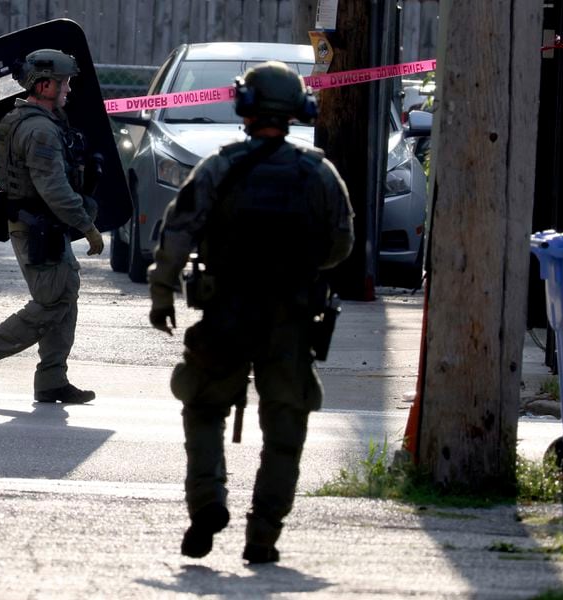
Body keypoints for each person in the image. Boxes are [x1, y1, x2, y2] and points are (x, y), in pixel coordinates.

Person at [148, 61, 355, 563]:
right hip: (290, 320)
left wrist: (162, 292)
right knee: (285, 428)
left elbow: (178, 231)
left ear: (244, 106)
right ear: (297, 111)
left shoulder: (219, 166)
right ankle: (262, 536)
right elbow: (340, 245)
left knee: (202, 410)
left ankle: (206, 504)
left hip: (225, 315)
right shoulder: (319, 172)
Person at [0, 48, 104, 404]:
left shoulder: (35, 119)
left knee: (64, 297)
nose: (68, 88)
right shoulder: (39, 130)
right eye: (63, 82)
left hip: (45, 226)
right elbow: (52, 187)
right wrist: (87, 226)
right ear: (43, 85)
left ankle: (52, 379)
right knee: (53, 301)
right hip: (37, 227)